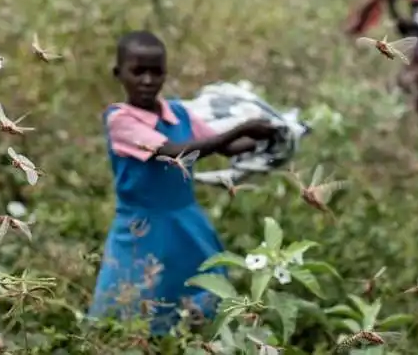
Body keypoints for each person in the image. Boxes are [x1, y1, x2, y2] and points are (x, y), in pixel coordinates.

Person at [88, 30, 282, 335]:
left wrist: (270, 137)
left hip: (185, 222)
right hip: (142, 227)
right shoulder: (120, 119)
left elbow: (224, 147)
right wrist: (238, 129)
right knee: (129, 299)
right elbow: (171, 152)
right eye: (138, 72)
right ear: (119, 73)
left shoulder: (179, 113)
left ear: (166, 73)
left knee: (196, 291)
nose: (148, 81)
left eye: (156, 72)